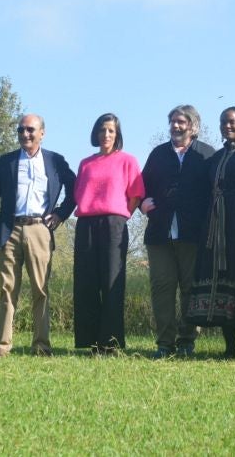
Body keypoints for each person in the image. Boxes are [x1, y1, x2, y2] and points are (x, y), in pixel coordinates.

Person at [0, 113, 76, 357]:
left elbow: (75, 188)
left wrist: (60, 214)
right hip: (8, 230)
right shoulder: (7, 161)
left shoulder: (55, 161)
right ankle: (2, 347)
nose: (25, 134)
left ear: (42, 133)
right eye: (21, 130)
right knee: (7, 289)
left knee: (40, 289)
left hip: (40, 231)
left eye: (30, 130)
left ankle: (42, 346)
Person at [186, 106, 235, 358]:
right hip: (216, 226)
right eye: (223, 122)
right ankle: (229, 344)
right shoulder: (216, 158)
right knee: (220, 277)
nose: (227, 126)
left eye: (232, 121)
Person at [140, 104, 215, 358]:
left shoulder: (206, 154)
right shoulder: (158, 154)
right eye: (172, 121)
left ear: (193, 126)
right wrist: (142, 202)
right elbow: (141, 185)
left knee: (189, 289)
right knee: (162, 287)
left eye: (181, 121)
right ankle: (164, 343)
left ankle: (186, 341)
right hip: (159, 234)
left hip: (193, 234)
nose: (176, 125)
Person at [72, 113, 144, 354]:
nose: (106, 135)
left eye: (111, 131)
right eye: (103, 130)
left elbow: (136, 194)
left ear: (118, 135)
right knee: (87, 282)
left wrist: (123, 217)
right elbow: (78, 195)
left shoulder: (128, 161)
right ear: (96, 133)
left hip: (114, 224)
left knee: (112, 282)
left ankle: (110, 343)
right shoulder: (85, 163)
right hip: (86, 225)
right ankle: (91, 341)